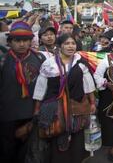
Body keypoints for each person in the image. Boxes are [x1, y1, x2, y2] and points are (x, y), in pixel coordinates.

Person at [33, 34, 96, 163]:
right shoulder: (49, 64)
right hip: (55, 109)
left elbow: (89, 84)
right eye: (67, 43)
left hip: (77, 107)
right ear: (60, 46)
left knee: (77, 137)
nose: (70, 46)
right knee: (57, 136)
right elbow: (40, 87)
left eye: (73, 43)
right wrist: (37, 108)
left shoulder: (80, 62)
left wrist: (92, 102)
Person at [0, 21, 46, 163]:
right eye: (17, 40)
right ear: (10, 41)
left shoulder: (40, 59)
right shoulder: (2, 60)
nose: (22, 44)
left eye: (25, 40)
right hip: (6, 116)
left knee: (29, 154)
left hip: (31, 115)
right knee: (7, 153)